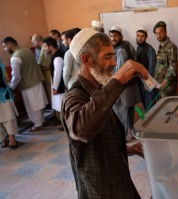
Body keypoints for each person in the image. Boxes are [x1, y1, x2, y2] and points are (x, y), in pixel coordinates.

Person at [61, 28, 145, 198]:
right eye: (107, 57)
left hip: (117, 177)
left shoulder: (99, 90)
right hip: (99, 189)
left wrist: (127, 148)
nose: (114, 63)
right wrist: (118, 80)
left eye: (113, 55)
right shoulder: (73, 97)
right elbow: (82, 129)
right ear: (86, 60)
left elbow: (99, 137)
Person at [2, 37, 48, 131]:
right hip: (37, 80)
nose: (5, 50)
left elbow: (16, 76)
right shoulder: (27, 50)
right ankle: (41, 120)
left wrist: (11, 86)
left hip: (28, 84)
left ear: (10, 44)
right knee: (38, 103)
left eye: (5, 47)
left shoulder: (15, 57)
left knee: (32, 106)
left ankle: (38, 124)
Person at [109, 26, 141, 141]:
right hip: (124, 84)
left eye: (116, 35)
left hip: (124, 84)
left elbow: (120, 71)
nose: (113, 38)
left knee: (125, 109)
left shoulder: (121, 49)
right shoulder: (117, 47)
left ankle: (127, 133)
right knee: (126, 108)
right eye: (111, 36)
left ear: (121, 36)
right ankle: (127, 132)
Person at [0, 58, 23, 149]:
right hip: (2, 94)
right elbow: (5, 77)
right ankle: (12, 140)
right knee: (8, 117)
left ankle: (3, 141)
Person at [43, 37, 65, 128]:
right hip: (58, 86)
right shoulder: (56, 55)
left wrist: (55, 88)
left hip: (60, 87)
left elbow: (57, 74)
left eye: (45, 46)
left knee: (62, 106)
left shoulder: (58, 57)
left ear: (51, 47)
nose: (44, 49)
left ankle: (66, 124)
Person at [153, 21, 178, 97]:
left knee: (168, 108)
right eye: (156, 33)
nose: (158, 35)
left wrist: (165, 81)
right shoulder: (161, 46)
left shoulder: (171, 46)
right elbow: (159, 65)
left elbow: (173, 67)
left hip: (167, 86)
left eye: (160, 32)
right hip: (160, 84)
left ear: (165, 32)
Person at [135, 26, 157, 111]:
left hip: (147, 83)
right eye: (138, 35)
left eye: (142, 36)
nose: (140, 38)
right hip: (140, 82)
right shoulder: (137, 49)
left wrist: (147, 83)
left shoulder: (150, 49)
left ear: (146, 37)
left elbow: (152, 67)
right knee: (145, 106)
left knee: (150, 108)